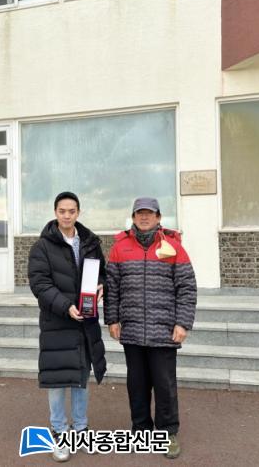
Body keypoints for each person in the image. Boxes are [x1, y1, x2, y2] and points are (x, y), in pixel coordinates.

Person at [105, 197, 197, 459]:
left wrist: (183, 323)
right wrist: (112, 320)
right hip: (132, 330)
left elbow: (187, 288)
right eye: (139, 213)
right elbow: (112, 289)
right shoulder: (120, 248)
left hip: (164, 330)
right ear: (133, 217)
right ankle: (141, 430)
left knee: (164, 385)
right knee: (137, 385)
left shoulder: (173, 247)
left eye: (149, 213)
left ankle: (167, 433)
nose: (144, 217)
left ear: (158, 217)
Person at [28, 191, 107, 462]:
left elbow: (102, 272)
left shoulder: (90, 242)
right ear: (55, 212)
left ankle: (81, 429)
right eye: (62, 211)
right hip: (57, 322)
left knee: (82, 377)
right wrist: (65, 306)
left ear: (78, 213)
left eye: (71, 211)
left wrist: (101, 286)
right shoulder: (42, 247)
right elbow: (40, 284)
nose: (67, 215)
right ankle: (60, 432)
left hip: (85, 321)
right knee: (58, 379)